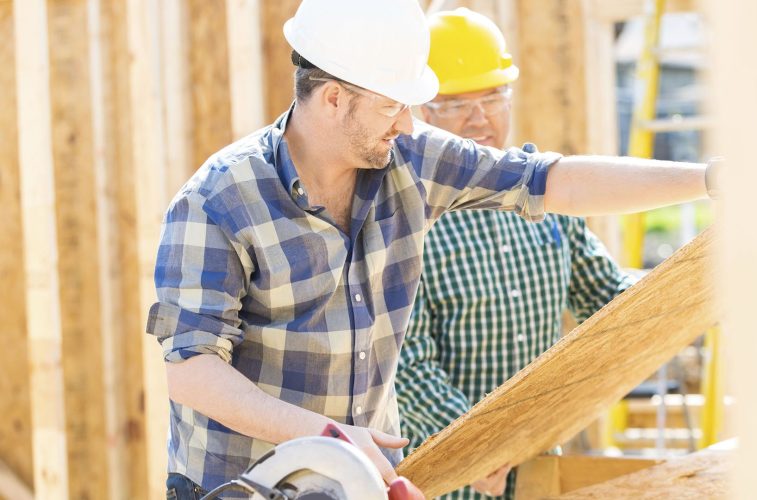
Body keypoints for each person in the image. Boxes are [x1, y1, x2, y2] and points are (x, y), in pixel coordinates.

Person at [145, 0, 715, 496]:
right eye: (394, 105)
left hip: (359, 486)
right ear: (335, 99)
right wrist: (327, 438)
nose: (411, 125)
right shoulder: (217, 203)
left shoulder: (410, 162)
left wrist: (707, 179)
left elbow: (547, 180)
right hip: (247, 487)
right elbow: (191, 370)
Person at [395, 9, 636, 499]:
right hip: (448, 479)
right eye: (456, 103)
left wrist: (685, 294)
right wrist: (483, 447)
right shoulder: (406, 220)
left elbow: (609, 302)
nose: (480, 117)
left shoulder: (552, 200)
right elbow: (409, 367)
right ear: (421, 111)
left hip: (537, 473)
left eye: (492, 96)